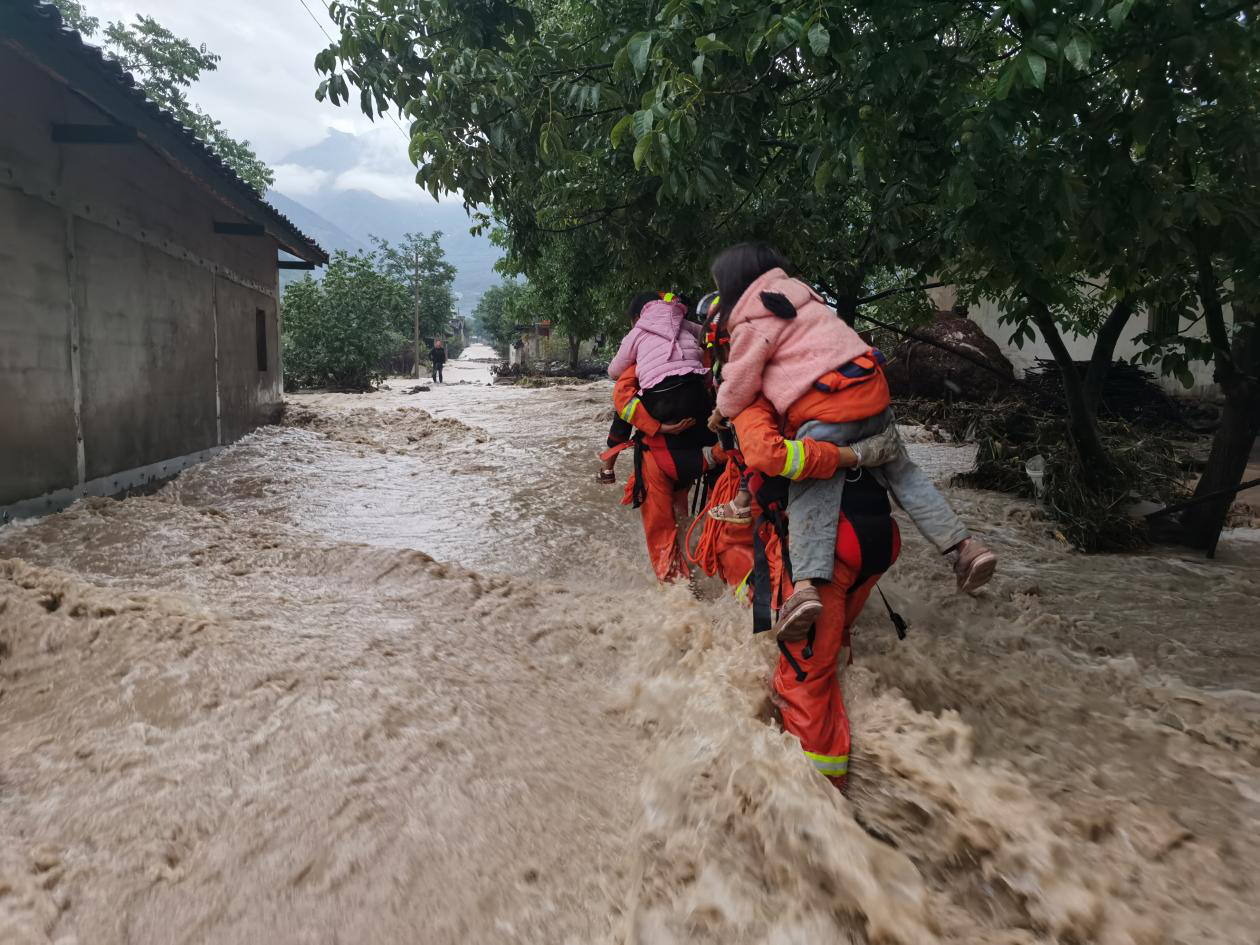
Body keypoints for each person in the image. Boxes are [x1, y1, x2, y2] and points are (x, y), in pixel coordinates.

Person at [704, 242, 996, 641]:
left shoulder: (750, 320)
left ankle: (804, 589)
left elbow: (740, 391)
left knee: (810, 497)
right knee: (906, 474)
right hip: (874, 398)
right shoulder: (805, 299)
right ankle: (965, 547)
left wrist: (721, 411)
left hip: (826, 412)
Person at [598, 292, 711, 483]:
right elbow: (707, 335)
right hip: (698, 394)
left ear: (637, 317)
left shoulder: (638, 330)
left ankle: (608, 468)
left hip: (662, 401)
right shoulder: (681, 322)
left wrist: (640, 365)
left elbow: (614, 371)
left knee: (625, 391)